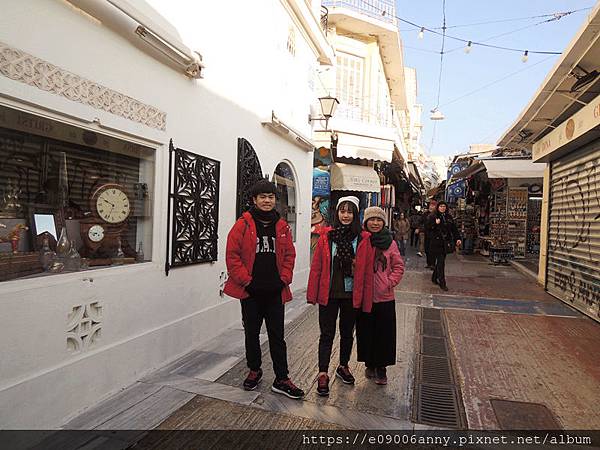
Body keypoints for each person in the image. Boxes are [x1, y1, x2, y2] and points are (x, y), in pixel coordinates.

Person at [224, 179, 304, 399]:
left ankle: (282, 378)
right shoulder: (243, 224)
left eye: (270, 197)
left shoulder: (282, 225)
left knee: (277, 336)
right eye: (263, 197)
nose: (267, 201)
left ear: (275, 200)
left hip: (274, 291)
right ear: (254, 200)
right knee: (252, 333)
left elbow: (289, 255)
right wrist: (246, 281)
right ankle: (254, 369)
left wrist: (284, 278)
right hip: (250, 292)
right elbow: (232, 256)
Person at [307, 196, 369, 397]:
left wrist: (355, 263)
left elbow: (367, 269)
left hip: (351, 294)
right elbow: (316, 267)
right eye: (342, 211)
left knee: (346, 333)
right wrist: (312, 293)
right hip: (329, 293)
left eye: (349, 211)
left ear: (355, 215)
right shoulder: (327, 236)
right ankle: (323, 372)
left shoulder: (362, 238)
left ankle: (343, 366)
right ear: (337, 213)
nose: (345, 215)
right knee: (326, 334)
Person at [354, 207, 405, 385]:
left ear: (384, 222)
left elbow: (398, 267)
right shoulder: (361, 240)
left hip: (385, 298)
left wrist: (389, 283)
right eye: (371, 220)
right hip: (364, 297)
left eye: (379, 220)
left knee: (384, 334)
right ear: (365, 222)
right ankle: (370, 363)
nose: (375, 223)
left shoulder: (390, 243)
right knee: (366, 332)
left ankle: (381, 368)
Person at [425, 201, 461, 291]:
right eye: (441, 206)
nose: (442, 208)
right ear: (438, 207)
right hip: (436, 243)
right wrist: (435, 224)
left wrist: (458, 238)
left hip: (445, 243)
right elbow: (427, 229)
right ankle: (442, 282)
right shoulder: (433, 216)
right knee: (441, 263)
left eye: (444, 206)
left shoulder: (449, 217)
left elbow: (454, 229)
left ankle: (434, 277)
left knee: (440, 262)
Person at [422, 200, 438, 267]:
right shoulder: (425, 214)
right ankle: (428, 263)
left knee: (433, 250)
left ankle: (433, 264)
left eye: (433, 206)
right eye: (430, 205)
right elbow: (422, 221)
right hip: (427, 233)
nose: (431, 207)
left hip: (434, 234)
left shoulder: (437, 215)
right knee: (427, 249)